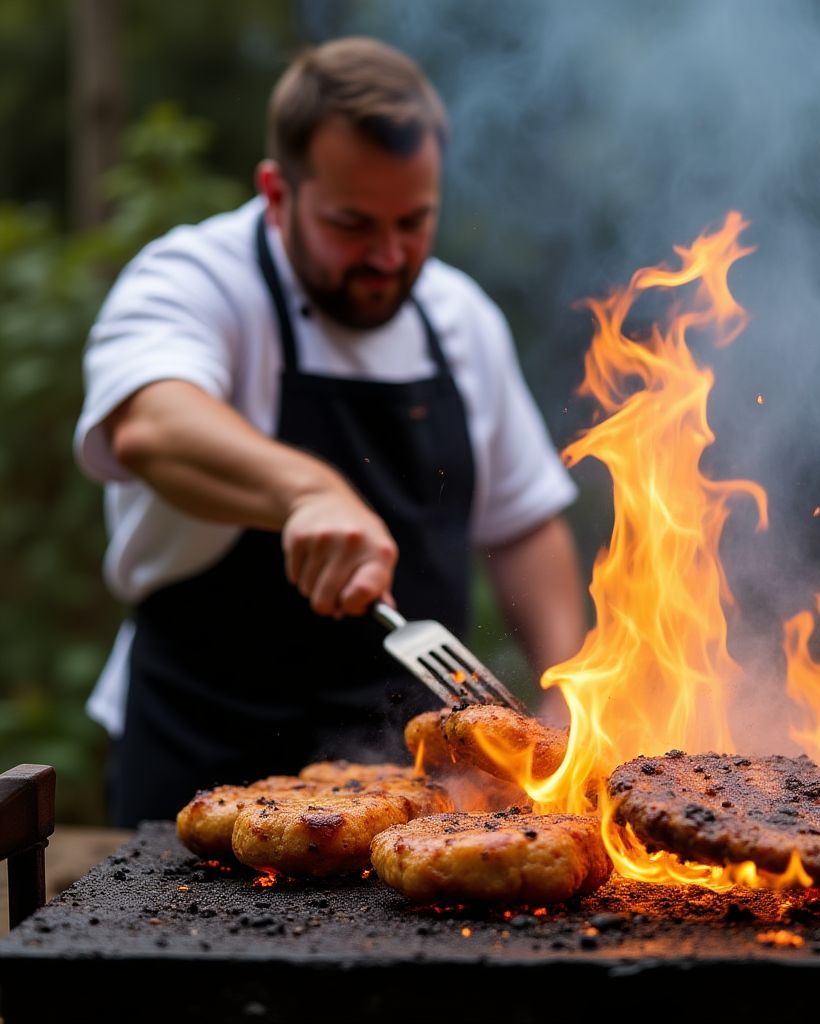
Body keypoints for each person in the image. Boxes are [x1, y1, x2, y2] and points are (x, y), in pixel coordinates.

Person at [73, 36, 586, 828]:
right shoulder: (195, 279)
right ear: (278, 194)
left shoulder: (460, 319)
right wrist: (308, 491)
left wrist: (561, 694)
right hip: (200, 762)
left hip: (419, 789)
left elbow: (523, 525)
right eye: (352, 224)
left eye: (414, 222)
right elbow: (149, 424)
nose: (388, 255)